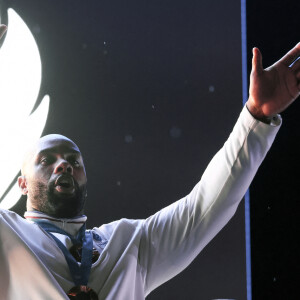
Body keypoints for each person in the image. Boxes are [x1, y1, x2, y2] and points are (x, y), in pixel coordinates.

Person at [0, 23, 299, 299]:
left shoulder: (128, 242)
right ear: (23, 183)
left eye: (73, 161)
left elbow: (205, 207)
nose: (63, 165)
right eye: (46, 160)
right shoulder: (7, 234)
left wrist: (255, 118)